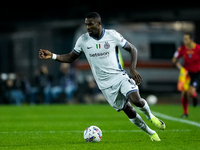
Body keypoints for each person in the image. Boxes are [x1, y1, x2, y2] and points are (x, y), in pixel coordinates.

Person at [39, 12, 165, 141]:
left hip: (119, 76)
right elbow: (71, 57)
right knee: (128, 110)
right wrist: (52, 56)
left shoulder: (112, 35)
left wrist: (132, 69)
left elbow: (133, 49)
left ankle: (151, 117)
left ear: (98, 24)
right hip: (104, 85)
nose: (87, 27)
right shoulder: (83, 40)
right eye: (86, 25)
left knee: (136, 99)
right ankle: (151, 133)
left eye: (90, 24)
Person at [172, 33, 200, 118]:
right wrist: (178, 66)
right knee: (183, 93)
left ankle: (194, 96)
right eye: (184, 39)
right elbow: (174, 59)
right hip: (186, 74)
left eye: (186, 39)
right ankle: (185, 113)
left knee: (190, 92)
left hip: (196, 74)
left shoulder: (198, 48)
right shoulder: (182, 49)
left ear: (191, 40)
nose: (184, 41)